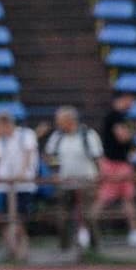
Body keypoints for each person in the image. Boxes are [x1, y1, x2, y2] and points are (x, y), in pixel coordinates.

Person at [44, 106, 103, 254]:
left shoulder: (88, 135)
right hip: (64, 181)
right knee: (62, 216)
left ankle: (94, 247)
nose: (57, 123)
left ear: (70, 120)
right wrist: (54, 172)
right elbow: (49, 156)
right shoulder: (57, 137)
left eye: (60, 120)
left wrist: (98, 178)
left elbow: (98, 158)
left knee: (88, 215)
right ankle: (64, 247)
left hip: (87, 180)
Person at [94, 94, 136, 251]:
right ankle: (87, 228)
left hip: (122, 163)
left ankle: (135, 231)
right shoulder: (115, 116)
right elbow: (122, 136)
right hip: (114, 163)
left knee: (128, 198)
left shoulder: (120, 116)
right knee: (104, 198)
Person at [0, 111, 38, 263]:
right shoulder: (1, 141)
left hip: (23, 185)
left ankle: (22, 250)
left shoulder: (25, 135)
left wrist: (23, 172)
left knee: (19, 219)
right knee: (5, 219)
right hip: (6, 185)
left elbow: (28, 153)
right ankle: (13, 250)